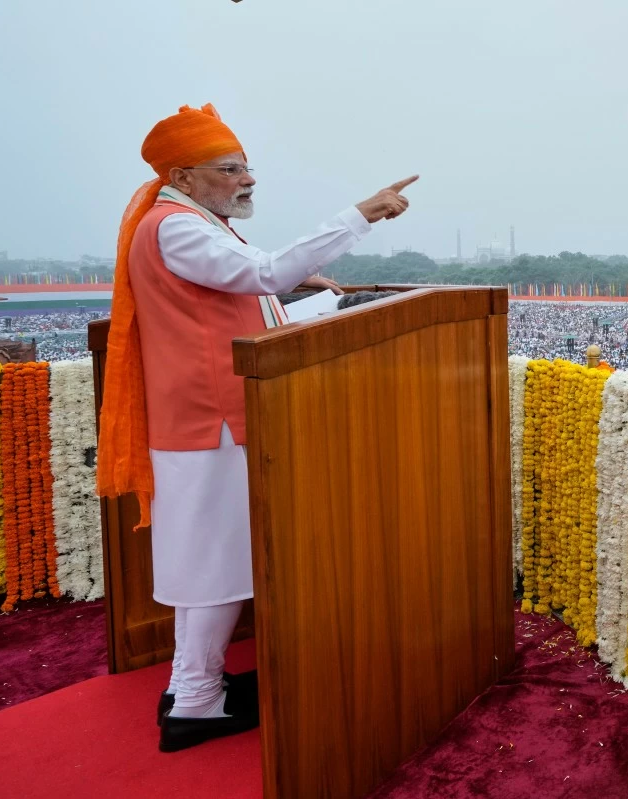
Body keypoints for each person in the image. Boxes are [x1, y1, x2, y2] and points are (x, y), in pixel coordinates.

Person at [96, 104, 417, 753]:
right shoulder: (178, 228)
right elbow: (264, 273)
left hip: (207, 418)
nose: (248, 178)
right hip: (209, 420)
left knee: (206, 559)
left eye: (246, 166)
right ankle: (194, 700)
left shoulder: (192, 222)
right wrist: (362, 213)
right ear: (184, 176)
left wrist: (303, 296)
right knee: (212, 564)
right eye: (231, 168)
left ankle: (195, 686)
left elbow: (242, 297)